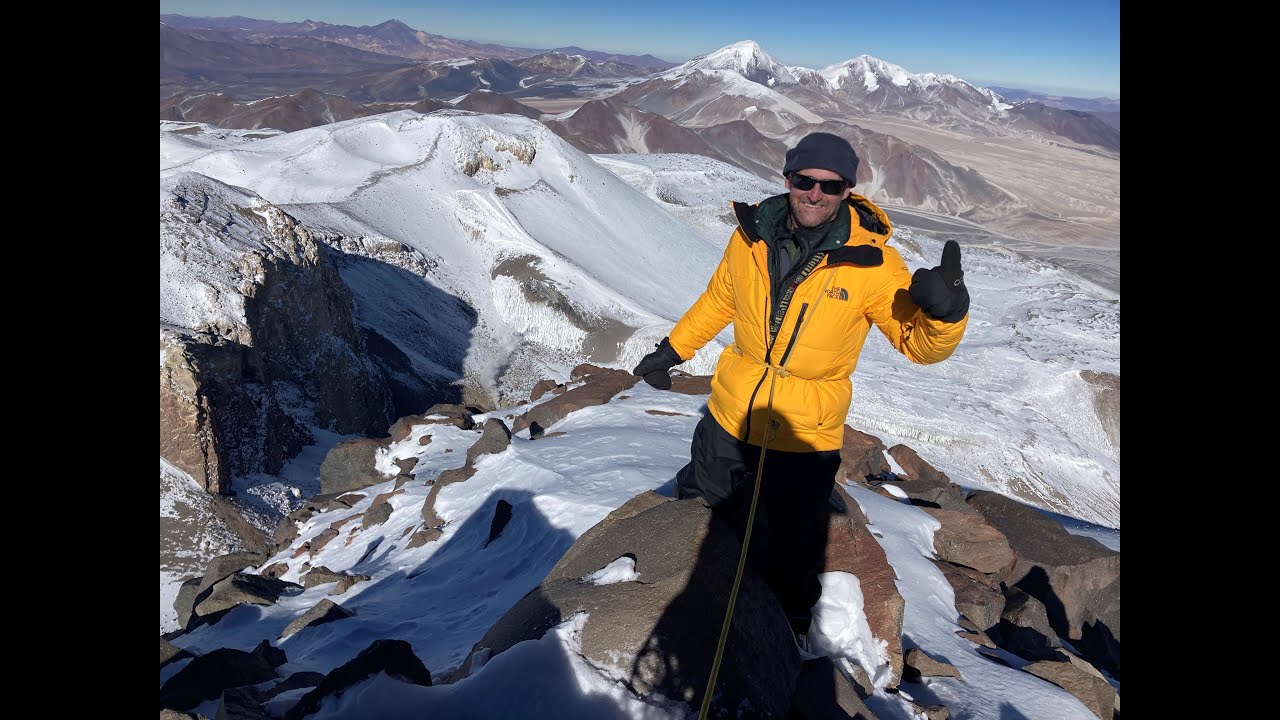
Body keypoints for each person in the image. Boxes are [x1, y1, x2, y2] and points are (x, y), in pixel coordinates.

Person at [631, 131, 969, 640]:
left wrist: (947, 314)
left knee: (792, 546)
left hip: (805, 435)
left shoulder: (873, 265)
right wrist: (672, 350)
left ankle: (786, 633)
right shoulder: (750, 236)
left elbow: (917, 344)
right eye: (804, 180)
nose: (815, 193)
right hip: (730, 414)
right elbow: (721, 299)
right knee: (706, 509)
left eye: (831, 186)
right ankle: (695, 607)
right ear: (787, 179)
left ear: (848, 191)